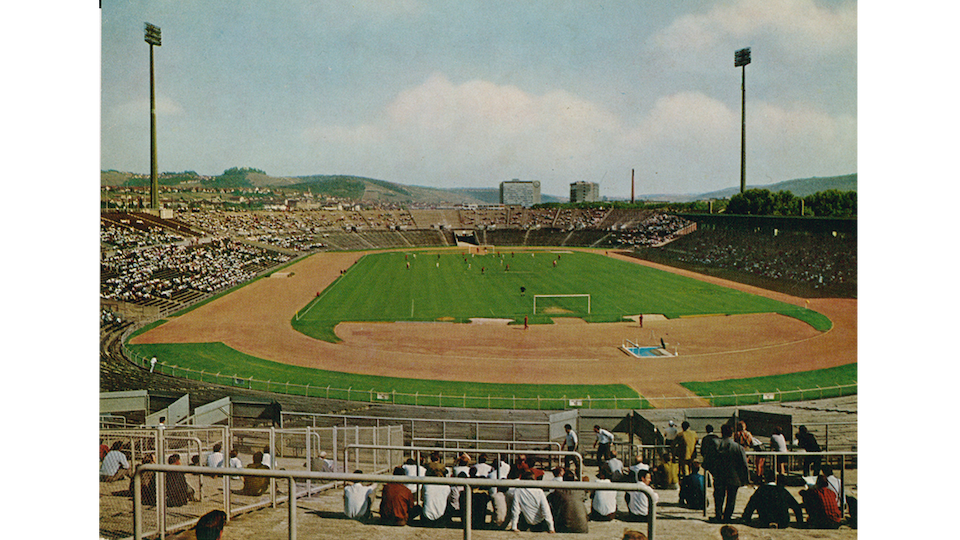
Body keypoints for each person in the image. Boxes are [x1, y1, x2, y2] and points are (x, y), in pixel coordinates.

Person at [710, 423, 749, 524]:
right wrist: (745, 479)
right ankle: (727, 516)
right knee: (731, 498)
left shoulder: (715, 445)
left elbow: (708, 462)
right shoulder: (738, 447)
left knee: (718, 497)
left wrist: (713, 472)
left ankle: (718, 515)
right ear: (731, 434)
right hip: (734, 477)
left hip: (719, 475)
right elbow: (744, 464)